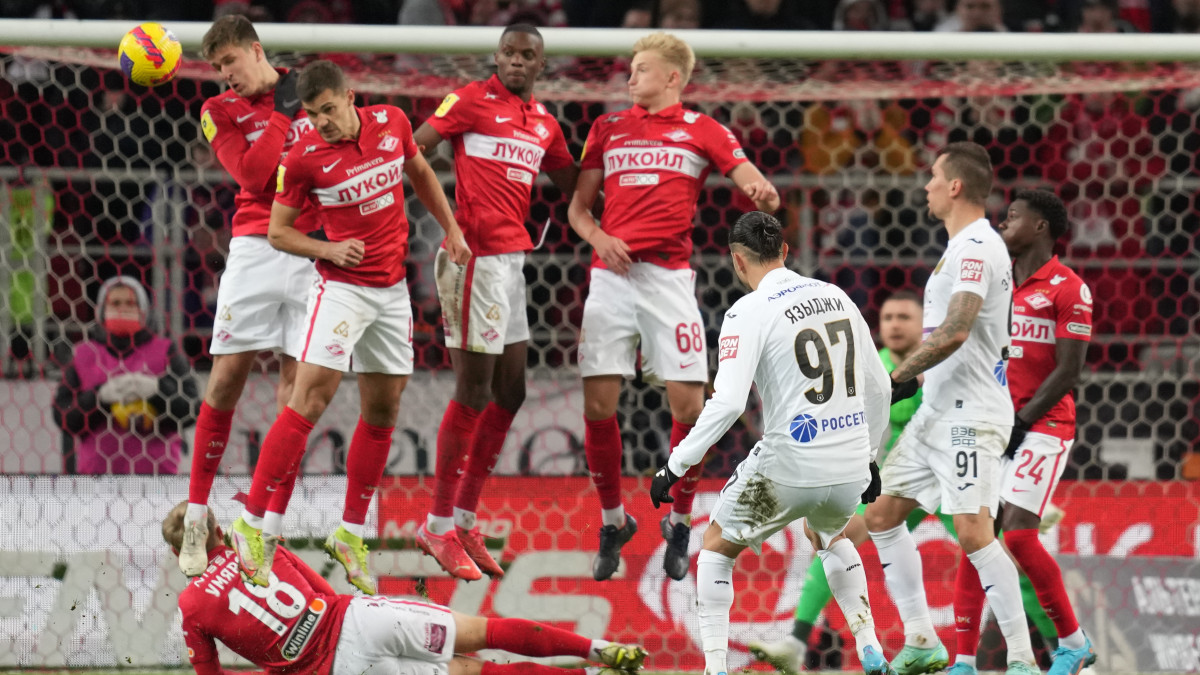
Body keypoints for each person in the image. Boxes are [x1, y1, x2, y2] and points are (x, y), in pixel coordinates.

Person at [229, 59, 472, 595]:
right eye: (314, 115)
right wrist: (328, 248)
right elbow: (277, 232)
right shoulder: (302, 158)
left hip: (391, 294)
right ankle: (249, 522)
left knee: (383, 410)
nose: (323, 122)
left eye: (330, 110)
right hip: (339, 289)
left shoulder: (393, 123)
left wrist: (451, 228)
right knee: (308, 403)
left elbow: (423, 173)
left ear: (351, 97)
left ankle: (350, 532)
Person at [567, 31, 780, 583]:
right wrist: (598, 239)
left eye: (640, 69)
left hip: (668, 279)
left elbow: (749, 177)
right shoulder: (607, 128)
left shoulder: (702, 129)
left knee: (689, 408)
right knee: (598, 406)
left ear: (672, 78)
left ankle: (680, 520)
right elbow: (577, 210)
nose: (630, 77)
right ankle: (614, 520)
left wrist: (763, 192)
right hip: (611, 278)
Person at [648, 211, 894, 675]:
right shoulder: (835, 295)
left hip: (788, 468)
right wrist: (870, 458)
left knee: (716, 546)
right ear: (784, 251)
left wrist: (675, 466)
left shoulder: (747, 311)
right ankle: (870, 647)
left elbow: (726, 404)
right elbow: (879, 387)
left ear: (737, 262)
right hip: (848, 467)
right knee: (830, 535)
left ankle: (715, 668)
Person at [410, 24, 579, 581]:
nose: (514, 61)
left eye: (526, 54)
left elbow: (573, 181)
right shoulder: (469, 102)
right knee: (474, 390)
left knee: (513, 390)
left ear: (539, 64)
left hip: (512, 263)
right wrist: (447, 224)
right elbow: (414, 151)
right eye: (508, 52)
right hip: (473, 257)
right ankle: (436, 526)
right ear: (497, 56)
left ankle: (462, 517)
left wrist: (613, 172)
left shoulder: (545, 124)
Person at [862, 141, 1036, 675]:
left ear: (955, 186)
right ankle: (920, 639)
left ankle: (1024, 661)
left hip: (970, 415)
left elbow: (957, 330)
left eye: (933, 177)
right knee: (882, 515)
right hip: (937, 411)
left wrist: (898, 375)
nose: (926, 186)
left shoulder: (978, 247)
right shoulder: (958, 247)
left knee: (972, 533)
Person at [164, 502, 648, 675]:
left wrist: (279, 666)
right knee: (485, 632)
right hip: (362, 621)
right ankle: (599, 651)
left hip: (340, 671)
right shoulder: (263, 549)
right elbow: (326, 599)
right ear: (219, 533)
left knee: (467, 673)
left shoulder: (190, 606)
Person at [181, 15, 324, 578]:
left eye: (229, 63)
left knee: (298, 394)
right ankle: (197, 517)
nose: (224, 76)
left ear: (255, 50)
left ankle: (267, 529)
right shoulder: (217, 112)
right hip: (255, 248)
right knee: (225, 381)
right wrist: (287, 115)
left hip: (316, 250)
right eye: (217, 68)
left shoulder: (315, 93)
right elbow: (256, 176)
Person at [951, 190, 1095, 675]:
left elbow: (1069, 370)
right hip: (997, 424)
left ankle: (1072, 643)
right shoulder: (998, 286)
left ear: (1040, 228)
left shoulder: (1068, 288)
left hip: (1045, 425)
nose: (1002, 223)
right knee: (976, 537)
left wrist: (1025, 418)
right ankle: (964, 662)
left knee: (1017, 535)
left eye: (1012, 217)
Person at [53, 276, 200, 475]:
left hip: (160, 479)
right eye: (115, 303)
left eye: (130, 303)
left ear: (144, 310)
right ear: (102, 310)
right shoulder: (84, 354)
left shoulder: (166, 351)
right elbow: (63, 416)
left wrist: (157, 391)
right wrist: (100, 397)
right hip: (96, 479)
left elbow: (192, 411)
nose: (122, 308)